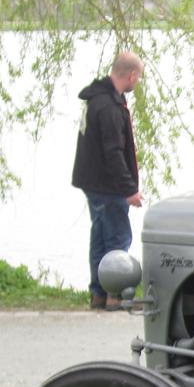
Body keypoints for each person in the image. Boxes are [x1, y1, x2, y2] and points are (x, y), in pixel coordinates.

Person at [71, 51, 144, 310]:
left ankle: (98, 293)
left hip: (92, 183)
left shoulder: (95, 100)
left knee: (100, 238)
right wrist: (130, 190)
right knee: (118, 238)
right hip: (108, 186)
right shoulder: (110, 107)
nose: (138, 82)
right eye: (139, 77)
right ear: (131, 75)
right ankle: (115, 295)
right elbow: (114, 152)